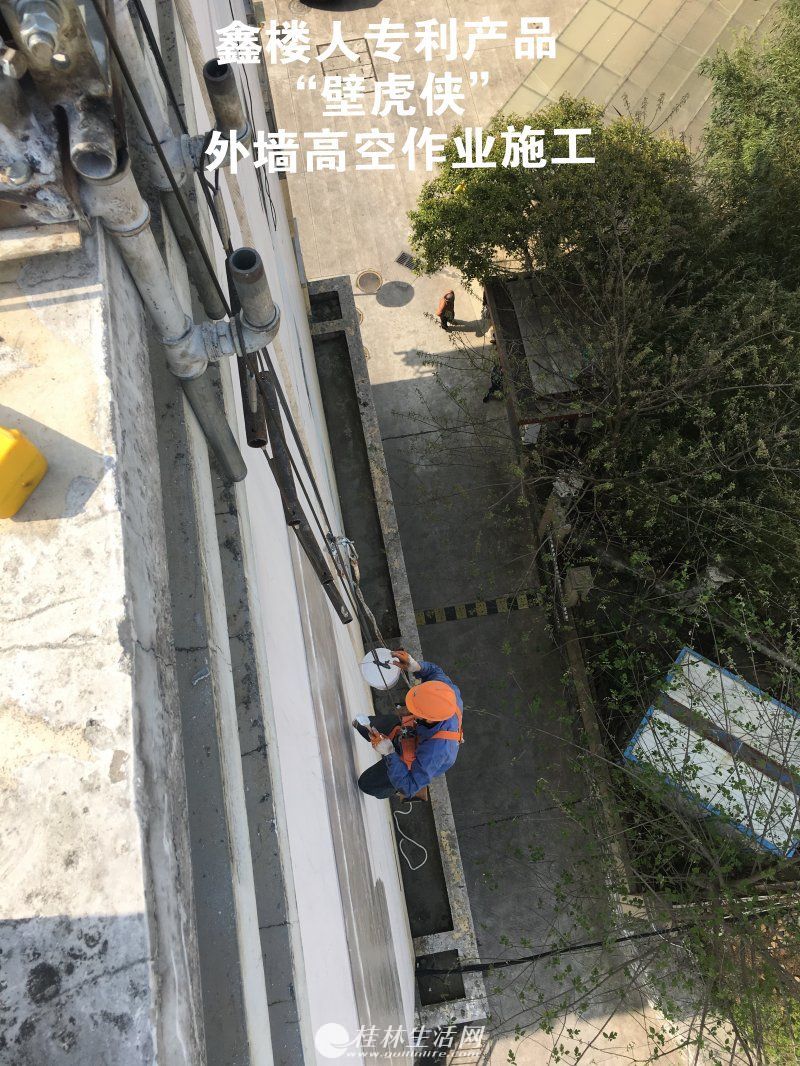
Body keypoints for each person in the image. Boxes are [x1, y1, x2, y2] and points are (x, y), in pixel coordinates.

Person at [354, 651, 463, 800]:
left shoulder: (436, 751)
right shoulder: (445, 692)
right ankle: (394, 744)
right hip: (412, 730)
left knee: (366, 784)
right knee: (362, 725)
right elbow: (435, 671)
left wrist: (389, 753)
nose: (407, 708)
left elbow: (409, 786)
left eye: (414, 709)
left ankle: (405, 786)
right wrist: (416, 666)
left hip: (415, 758)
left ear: (428, 719)